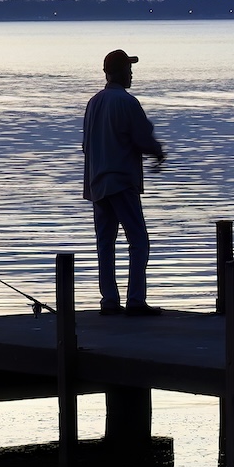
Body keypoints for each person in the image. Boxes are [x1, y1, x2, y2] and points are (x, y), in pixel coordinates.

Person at [83, 49, 167, 316]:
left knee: (105, 243)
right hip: (121, 181)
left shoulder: (93, 103)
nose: (132, 74)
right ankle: (135, 300)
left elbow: (86, 146)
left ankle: (109, 300)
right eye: (129, 69)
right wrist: (158, 152)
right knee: (138, 240)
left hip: (97, 183)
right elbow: (142, 138)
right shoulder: (127, 102)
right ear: (119, 72)